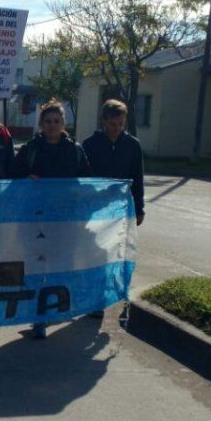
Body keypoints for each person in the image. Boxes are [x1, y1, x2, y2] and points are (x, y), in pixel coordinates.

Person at [12, 100, 92, 339]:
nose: (52, 125)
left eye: (56, 121)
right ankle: (38, 316)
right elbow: (13, 176)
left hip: (65, 220)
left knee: (60, 266)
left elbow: (87, 181)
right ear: (41, 123)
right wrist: (27, 178)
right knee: (38, 267)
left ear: (63, 122)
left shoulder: (75, 150)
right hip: (36, 219)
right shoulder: (30, 149)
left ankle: (51, 310)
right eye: (48, 121)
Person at [83, 98, 145, 327]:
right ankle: (95, 300)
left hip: (121, 209)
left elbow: (137, 178)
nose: (116, 129)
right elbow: (83, 178)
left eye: (120, 124)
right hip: (96, 210)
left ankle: (118, 295)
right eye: (112, 124)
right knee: (97, 253)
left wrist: (139, 207)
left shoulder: (132, 145)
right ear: (104, 121)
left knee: (118, 254)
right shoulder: (90, 145)